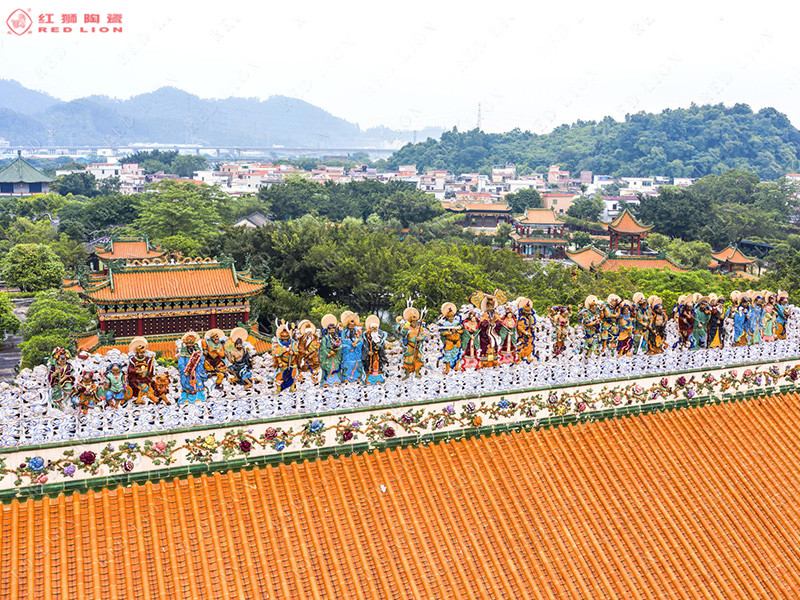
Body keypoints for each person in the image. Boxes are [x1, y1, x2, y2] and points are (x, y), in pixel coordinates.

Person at [178, 331, 207, 402]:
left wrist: (199, 362)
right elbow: (181, 363)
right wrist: (185, 371)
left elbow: (202, 360)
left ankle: (199, 397)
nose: (190, 345)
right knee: (187, 383)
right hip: (187, 371)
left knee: (198, 383)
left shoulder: (197, 351)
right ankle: (185, 398)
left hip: (196, 371)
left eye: (192, 343)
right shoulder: (183, 353)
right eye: (189, 343)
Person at [127, 337, 155, 403]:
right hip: (136, 377)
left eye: (143, 353)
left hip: (145, 377)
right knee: (135, 384)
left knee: (152, 383)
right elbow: (130, 369)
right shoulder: (133, 360)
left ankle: (148, 396)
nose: (142, 354)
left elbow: (150, 368)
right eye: (140, 353)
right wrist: (136, 371)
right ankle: (138, 397)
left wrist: (148, 371)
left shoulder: (147, 359)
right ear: (137, 352)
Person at [400, 306, 426, 378]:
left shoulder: (419, 328)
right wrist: (405, 328)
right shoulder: (407, 327)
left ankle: (417, 373)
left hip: (417, 346)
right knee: (408, 360)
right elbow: (403, 334)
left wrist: (420, 338)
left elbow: (424, 334)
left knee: (418, 359)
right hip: (410, 346)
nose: (414, 323)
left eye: (415, 322)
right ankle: (407, 374)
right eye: (412, 322)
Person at [361, 315, 388, 384]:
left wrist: (380, 347)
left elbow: (383, 344)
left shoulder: (380, 336)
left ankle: (378, 379)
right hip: (370, 355)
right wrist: (368, 351)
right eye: (373, 328)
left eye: (376, 328)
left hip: (378, 354)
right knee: (369, 366)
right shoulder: (367, 336)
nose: (374, 329)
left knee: (378, 367)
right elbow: (365, 345)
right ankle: (369, 379)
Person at [272, 323, 297, 393]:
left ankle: (292, 388)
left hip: (292, 363)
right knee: (279, 376)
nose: (285, 338)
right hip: (284, 363)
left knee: (293, 376)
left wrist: (293, 352)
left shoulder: (293, 343)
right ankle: (278, 389)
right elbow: (277, 355)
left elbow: (297, 352)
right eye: (283, 337)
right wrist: (280, 362)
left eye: (286, 337)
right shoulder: (278, 345)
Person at [438, 303, 463, 374]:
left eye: (452, 316)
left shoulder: (457, 322)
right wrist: (450, 332)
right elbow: (442, 333)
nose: (451, 318)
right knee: (448, 355)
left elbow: (462, 331)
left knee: (458, 354)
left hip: (457, 341)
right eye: (449, 317)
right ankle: (447, 369)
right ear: (447, 317)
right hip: (449, 342)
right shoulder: (445, 324)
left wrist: (457, 330)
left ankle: (456, 366)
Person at [339, 312, 364, 382]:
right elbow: (342, 342)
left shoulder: (358, 332)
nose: (352, 326)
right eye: (350, 325)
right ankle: (346, 378)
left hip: (356, 352)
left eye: (353, 325)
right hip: (347, 352)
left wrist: (357, 345)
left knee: (357, 364)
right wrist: (347, 346)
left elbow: (361, 341)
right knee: (347, 364)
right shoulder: (344, 333)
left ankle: (357, 377)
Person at [319, 314, 342, 385]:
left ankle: (336, 380)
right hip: (328, 355)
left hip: (335, 355)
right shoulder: (325, 338)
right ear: (328, 330)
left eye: (333, 330)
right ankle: (326, 381)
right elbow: (322, 348)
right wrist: (327, 354)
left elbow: (341, 345)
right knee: (328, 367)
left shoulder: (337, 337)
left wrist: (338, 348)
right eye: (331, 330)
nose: (332, 331)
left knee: (336, 366)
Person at [515, 297, 537, 363]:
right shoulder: (521, 318)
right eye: (526, 311)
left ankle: (528, 358)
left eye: (529, 311)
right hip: (523, 335)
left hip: (530, 334)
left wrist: (533, 327)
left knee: (530, 346)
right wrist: (525, 333)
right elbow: (519, 327)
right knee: (521, 346)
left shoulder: (531, 318)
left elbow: (534, 325)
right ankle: (519, 358)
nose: (528, 313)